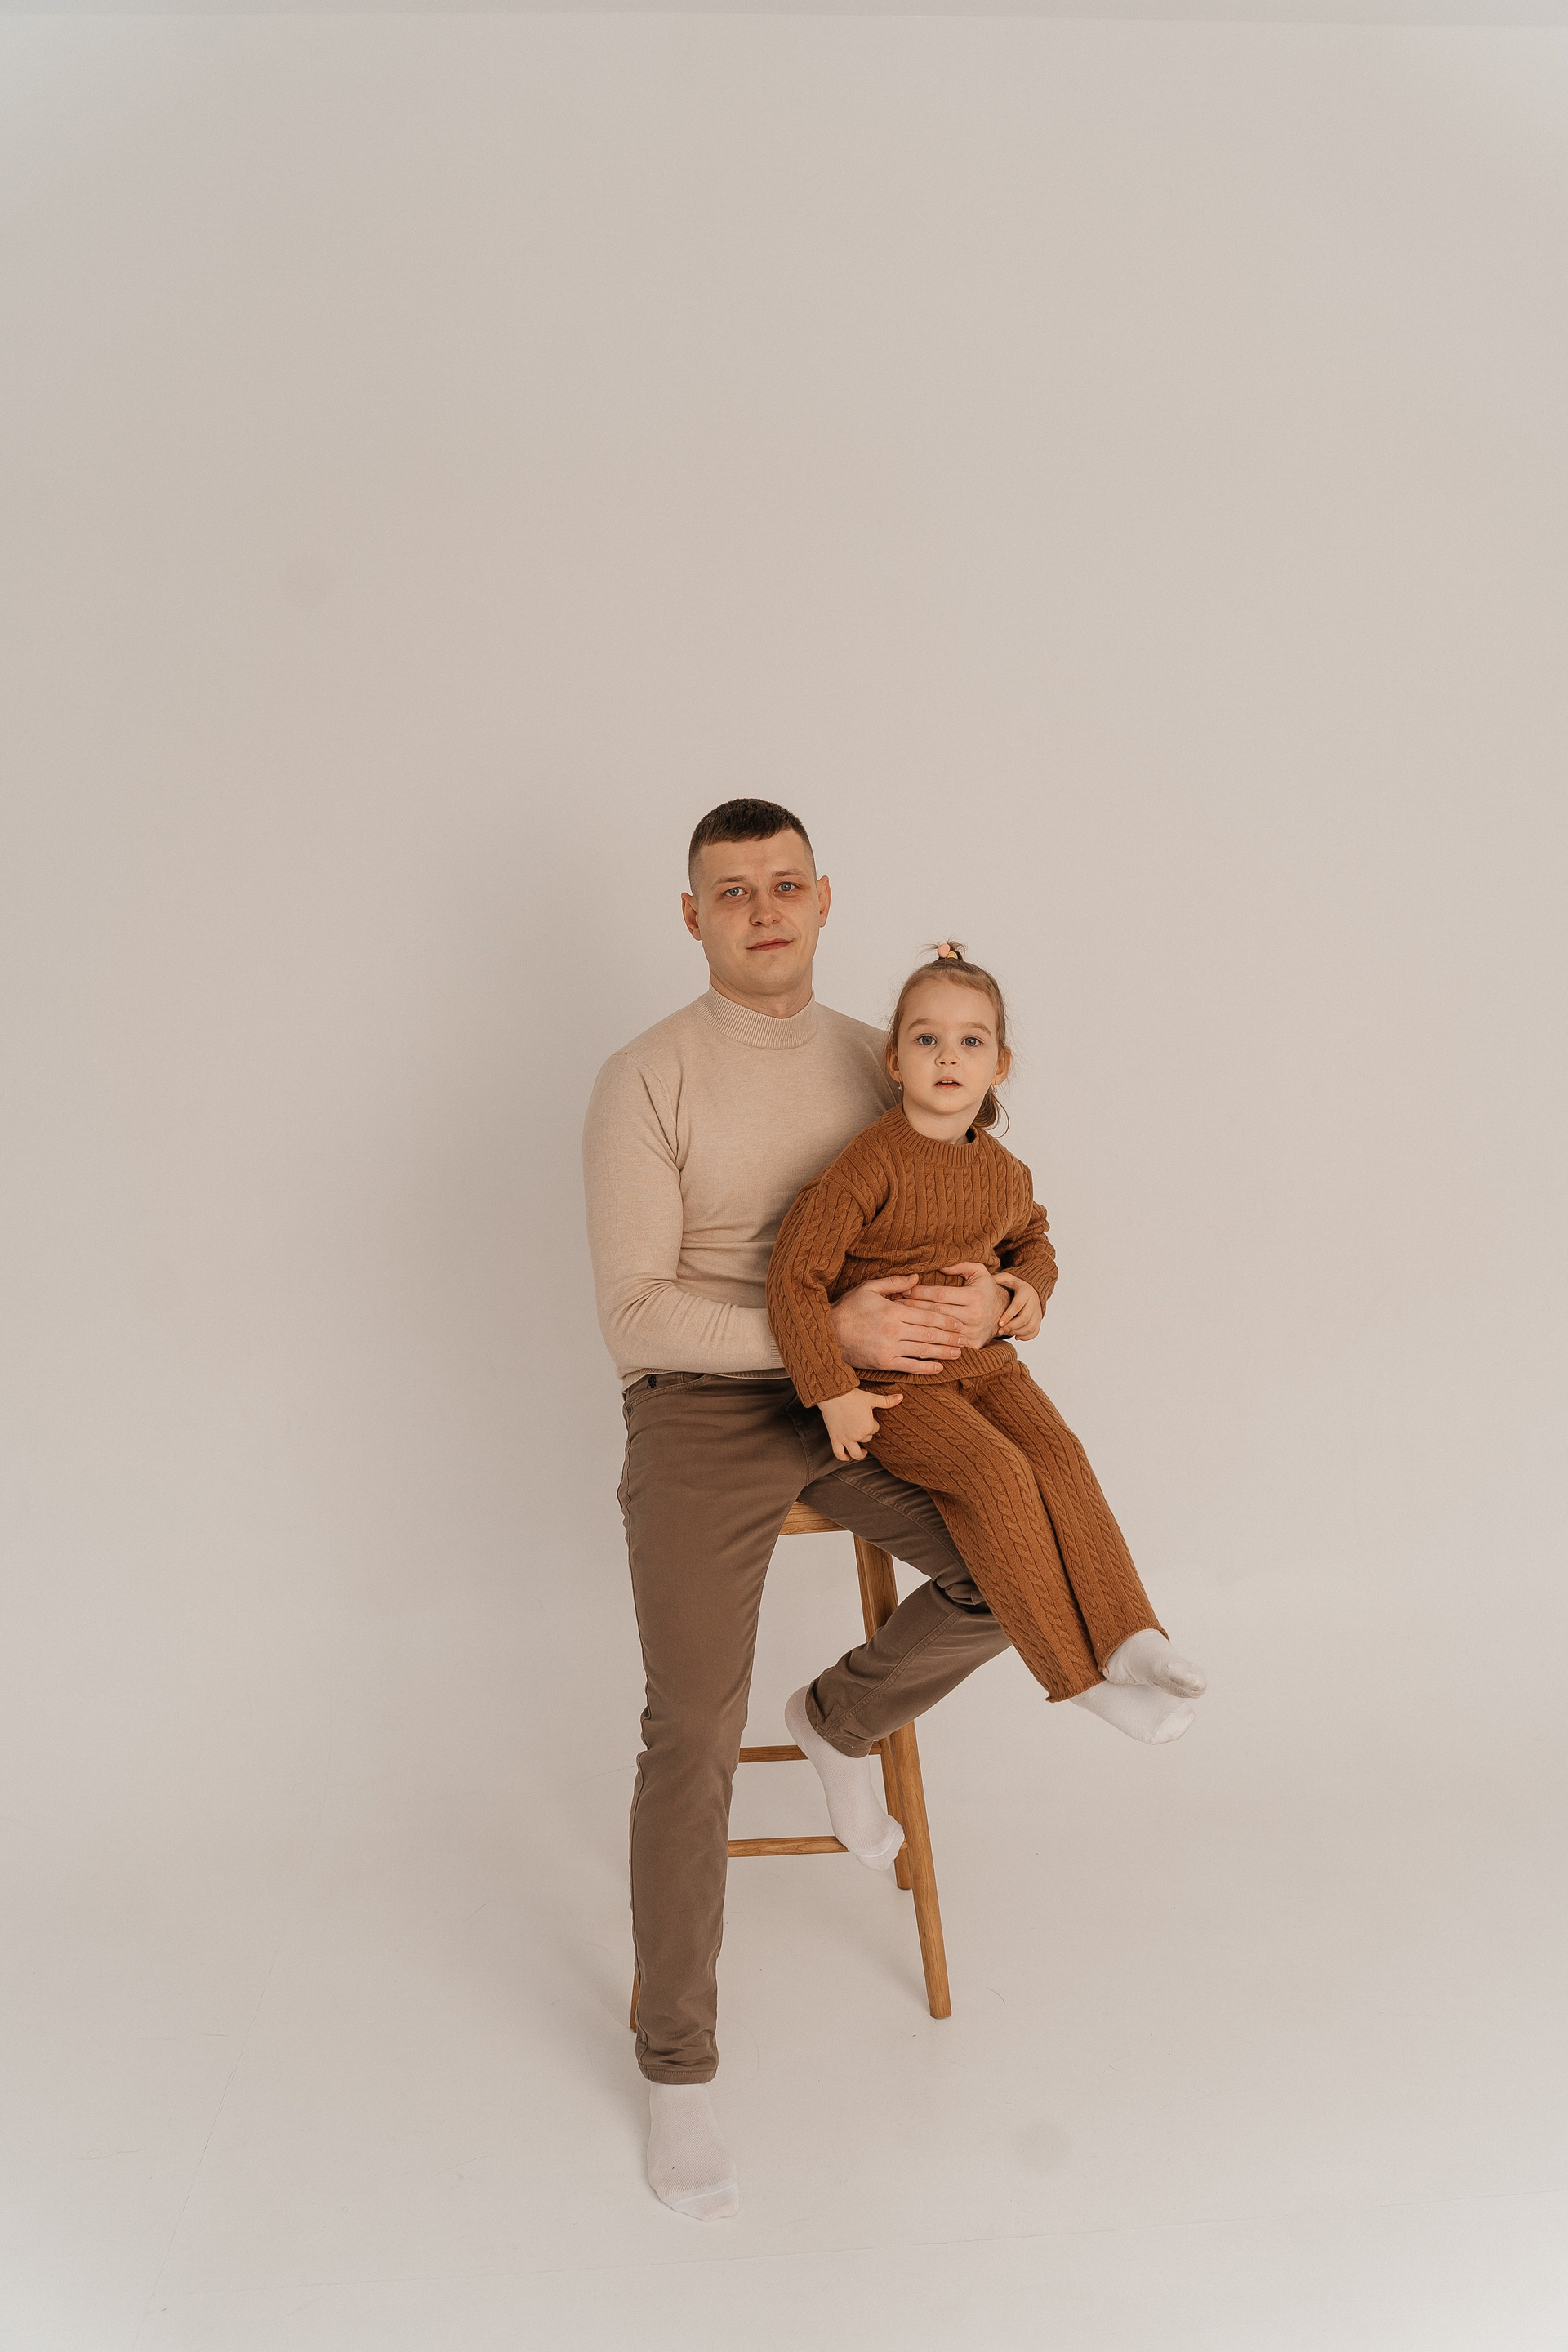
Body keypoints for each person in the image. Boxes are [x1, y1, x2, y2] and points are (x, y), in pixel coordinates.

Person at [583, 801, 1018, 2223]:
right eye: (732, 892)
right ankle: (679, 2067)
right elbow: (634, 1312)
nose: (762, 910)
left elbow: (989, 1214)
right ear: (692, 917)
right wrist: (820, 1336)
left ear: (825, 900)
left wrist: (1010, 1294)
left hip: (872, 1392)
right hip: (703, 1403)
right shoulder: (645, 1077)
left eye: (785, 885)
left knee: (1021, 1569)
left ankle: (839, 1720)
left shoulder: (881, 1059)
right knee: (691, 1731)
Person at [767, 942, 1208, 1732]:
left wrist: (1022, 1289)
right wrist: (832, 1392)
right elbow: (794, 1277)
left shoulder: (1004, 1171)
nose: (948, 1056)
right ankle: (1076, 1677)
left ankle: (1127, 1634)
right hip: (900, 1388)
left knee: (1060, 1455)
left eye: (970, 1041)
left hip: (990, 1371)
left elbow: (1033, 1240)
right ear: (894, 1060)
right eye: (926, 1038)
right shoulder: (868, 1166)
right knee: (997, 1474)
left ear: (999, 1065)